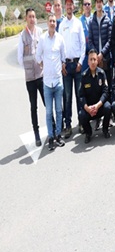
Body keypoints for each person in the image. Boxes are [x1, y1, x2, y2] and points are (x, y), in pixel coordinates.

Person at [36, 14, 66, 150]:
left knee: (59, 110)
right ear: (47, 23)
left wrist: (60, 67)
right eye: (50, 21)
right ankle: (51, 137)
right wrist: (44, 66)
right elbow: (38, 56)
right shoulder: (42, 39)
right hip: (47, 83)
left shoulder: (60, 38)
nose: (52, 23)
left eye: (54, 21)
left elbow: (63, 57)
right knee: (49, 112)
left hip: (58, 81)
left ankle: (58, 134)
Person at [17, 8, 46, 147]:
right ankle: (36, 133)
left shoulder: (40, 32)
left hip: (40, 75)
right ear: (26, 18)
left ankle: (52, 128)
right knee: (33, 106)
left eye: (34, 16)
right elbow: (19, 57)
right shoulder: (22, 35)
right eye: (30, 16)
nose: (32, 19)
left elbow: (43, 50)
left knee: (47, 103)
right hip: (30, 78)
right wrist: (28, 69)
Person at [59, 0, 86, 139]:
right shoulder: (61, 25)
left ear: (73, 7)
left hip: (77, 64)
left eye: (71, 4)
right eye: (67, 4)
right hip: (66, 66)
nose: (69, 7)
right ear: (65, 7)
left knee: (79, 95)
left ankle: (81, 123)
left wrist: (81, 62)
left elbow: (83, 44)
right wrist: (62, 63)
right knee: (67, 97)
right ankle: (68, 125)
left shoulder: (78, 23)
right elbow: (59, 46)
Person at [78, 50, 112, 143]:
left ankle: (105, 129)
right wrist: (87, 108)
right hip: (89, 109)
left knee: (108, 107)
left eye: (94, 59)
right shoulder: (84, 76)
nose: (93, 62)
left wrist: (97, 105)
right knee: (81, 115)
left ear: (97, 61)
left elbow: (105, 92)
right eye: (91, 59)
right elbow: (81, 96)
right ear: (88, 62)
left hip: (99, 107)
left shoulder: (102, 73)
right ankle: (88, 133)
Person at [89, 0, 113, 90]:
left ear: (103, 3)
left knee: (107, 85)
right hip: (95, 60)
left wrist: (102, 54)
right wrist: (95, 55)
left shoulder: (108, 20)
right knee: (96, 87)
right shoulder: (91, 21)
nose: (99, 4)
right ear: (95, 4)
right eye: (97, 2)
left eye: (100, 2)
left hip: (105, 59)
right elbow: (90, 40)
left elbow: (110, 40)